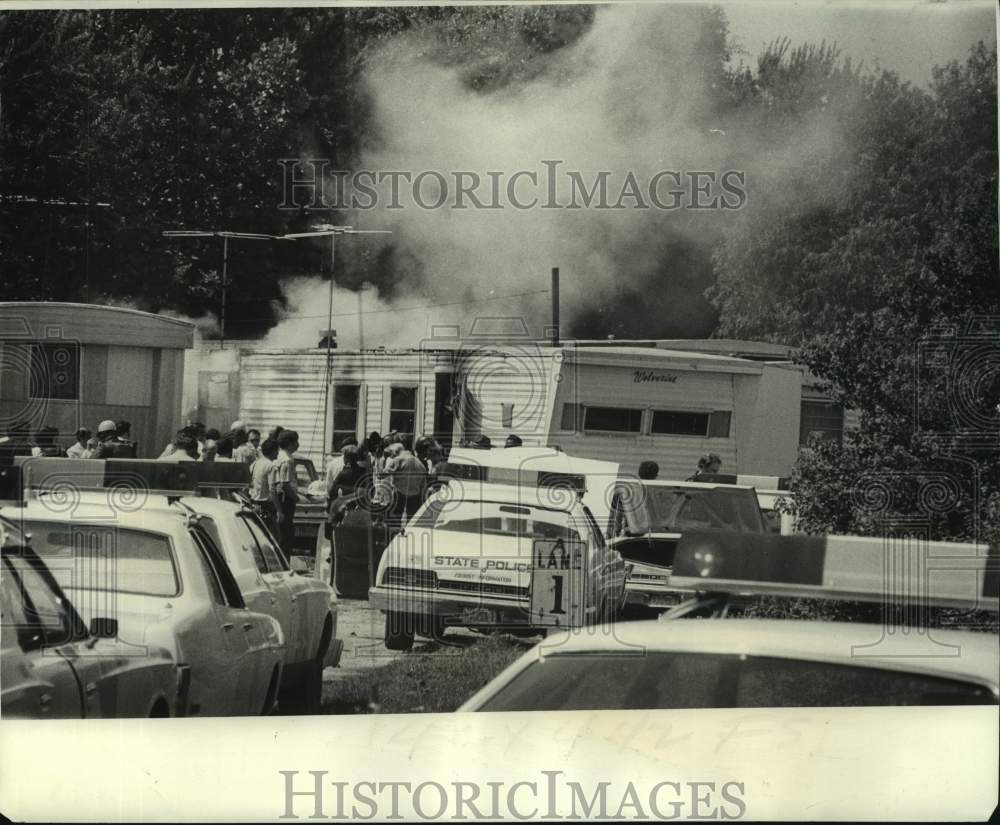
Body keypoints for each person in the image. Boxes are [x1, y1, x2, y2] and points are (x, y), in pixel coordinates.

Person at [384, 441, 428, 526]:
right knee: (411, 520)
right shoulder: (419, 463)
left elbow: (384, 473)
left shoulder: (399, 459)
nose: (391, 457)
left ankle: (394, 536)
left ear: (395, 452)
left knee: (394, 519)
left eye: (391, 455)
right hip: (415, 494)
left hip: (400, 493)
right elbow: (424, 484)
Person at [271, 429, 300, 555]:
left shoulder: (278, 456)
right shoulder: (287, 460)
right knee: (287, 534)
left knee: (280, 533)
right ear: (289, 443)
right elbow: (285, 483)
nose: (297, 444)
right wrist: (296, 497)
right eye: (296, 441)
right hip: (285, 500)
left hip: (278, 498)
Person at [249, 438, 279, 532]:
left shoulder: (254, 464)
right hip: (266, 507)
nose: (278, 454)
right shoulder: (271, 466)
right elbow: (272, 490)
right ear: (273, 452)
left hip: (254, 505)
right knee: (273, 535)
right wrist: (279, 510)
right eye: (276, 451)